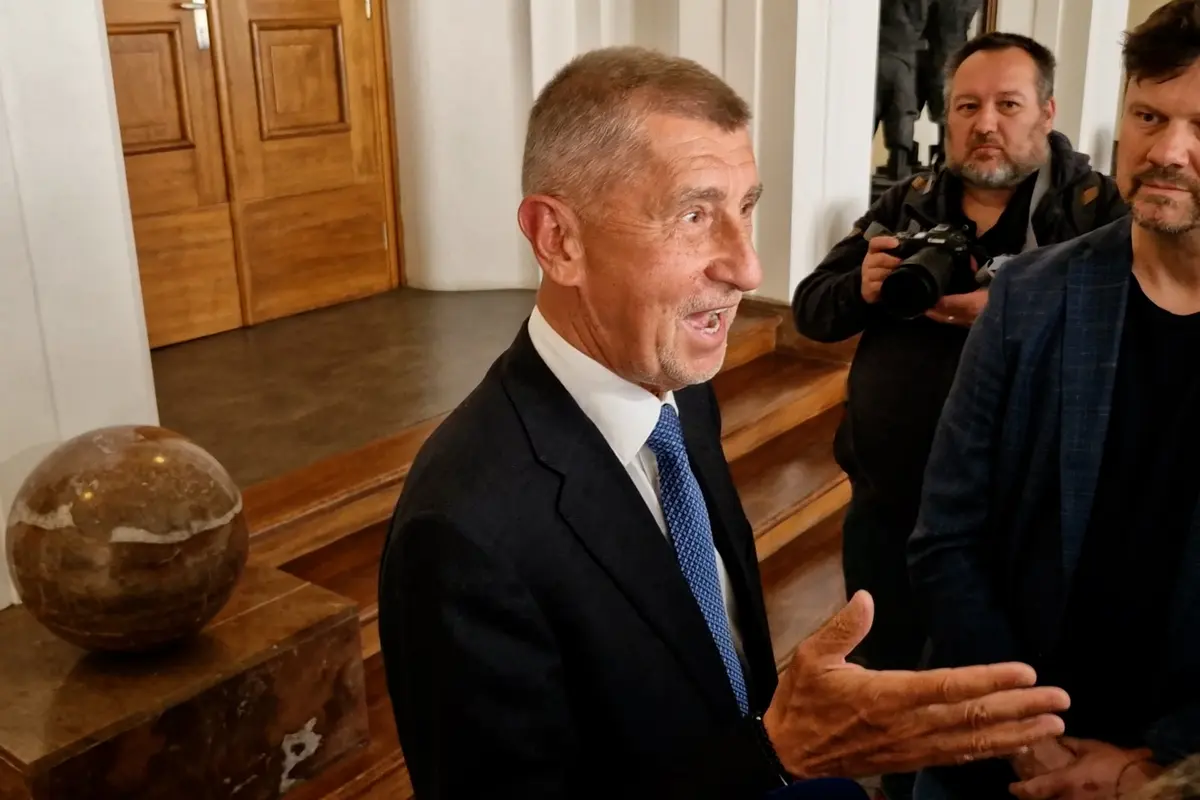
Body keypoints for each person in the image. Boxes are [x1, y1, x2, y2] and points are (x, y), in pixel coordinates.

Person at [376, 46, 1070, 800]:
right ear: (558, 240)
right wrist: (774, 754)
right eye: (694, 214)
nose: (748, 269)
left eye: (744, 209)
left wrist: (772, 746)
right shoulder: (462, 532)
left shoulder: (681, 395)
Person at [908, 2, 1200, 797]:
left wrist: (1161, 767)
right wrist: (1026, 736)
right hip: (1000, 751)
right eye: (1149, 115)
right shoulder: (1031, 296)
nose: (1167, 151)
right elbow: (946, 537)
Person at [792, 30, 1126, 686]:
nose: (985, 124)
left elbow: (1125, 339)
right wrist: (862, 286)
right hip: (888, 504)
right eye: (967, 107)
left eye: (1008, 104)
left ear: (1047, 112)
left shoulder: (1096, 211)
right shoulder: (909, 201)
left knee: (992, 684)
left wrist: (1011, 312)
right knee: (886, 673)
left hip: (1017, 521)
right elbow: (811, 310)